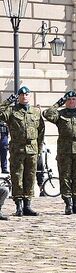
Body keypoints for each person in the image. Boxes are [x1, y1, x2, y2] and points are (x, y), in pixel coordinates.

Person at [42, 91, 76, 215]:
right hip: (64, 151)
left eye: (74, 99)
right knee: (65, 177)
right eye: (69, 99)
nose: (72, 101)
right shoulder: (60, 115)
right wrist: (59, 103)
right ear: (66, 101)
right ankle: (68, 203)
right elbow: (47, 114)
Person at [0, 86, 44, 216]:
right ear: (18, 97)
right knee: (17, 177)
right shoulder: (12, 111)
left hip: (32, 149)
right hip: (17, 149)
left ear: (29, 96)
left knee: (30, 177)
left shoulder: (35, 112)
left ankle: (27, 205)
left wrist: (39, 149)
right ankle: (19, 206)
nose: (24, 97)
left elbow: (41, 130)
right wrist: (7, 101)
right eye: (22, 95)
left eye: (26, 94)